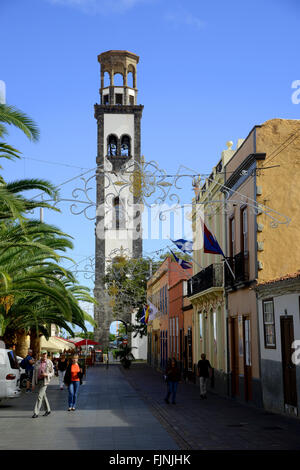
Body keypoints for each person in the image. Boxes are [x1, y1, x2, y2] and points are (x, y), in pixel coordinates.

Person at [31, 350, 54, 418]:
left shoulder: (49, 362)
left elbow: (52, 373)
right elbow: (34, 374)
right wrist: (33, 384)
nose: (44, 355)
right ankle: (48, 410)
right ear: (41, 355)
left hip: (45, 381)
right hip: (38, 381)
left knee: (39, 396)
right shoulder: (37, 362)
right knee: (43, 396)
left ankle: (36, 412)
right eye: (43, 354)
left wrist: (46, 374)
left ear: (47, 355)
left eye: (45, 354)